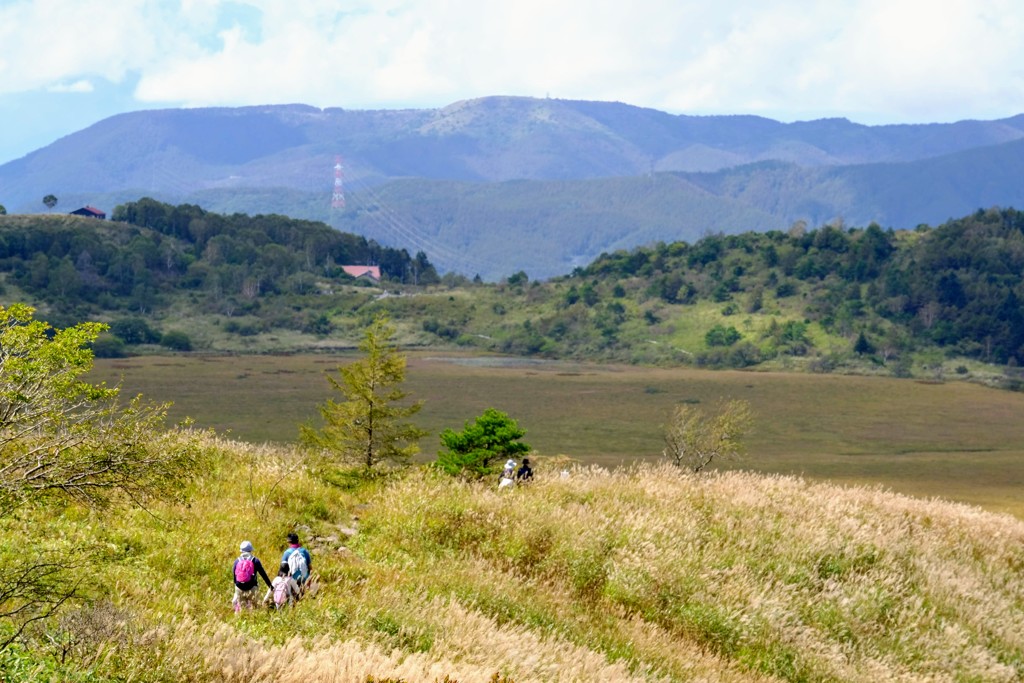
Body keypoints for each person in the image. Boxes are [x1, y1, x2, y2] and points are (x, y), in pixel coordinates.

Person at [232, 541, 274, 613]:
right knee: (256, 609)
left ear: (241, 550)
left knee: (243, 610)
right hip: (252, 588)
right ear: (251, 550)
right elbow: (263, 575)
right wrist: (270, 586)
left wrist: (238, 586)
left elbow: (234, 577)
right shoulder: (255, 561)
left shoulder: (237, 561)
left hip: (239, 588)